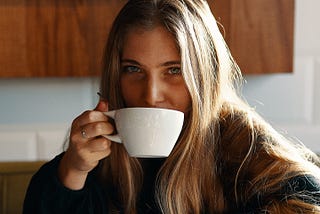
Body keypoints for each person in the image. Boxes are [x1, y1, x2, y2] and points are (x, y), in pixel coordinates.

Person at [23, 0, 320, 213]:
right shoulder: (100, 162)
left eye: (174, 70)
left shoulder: (245, 150)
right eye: (133, 69)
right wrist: (73, 170)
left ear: (205, 76)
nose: (151, 95)